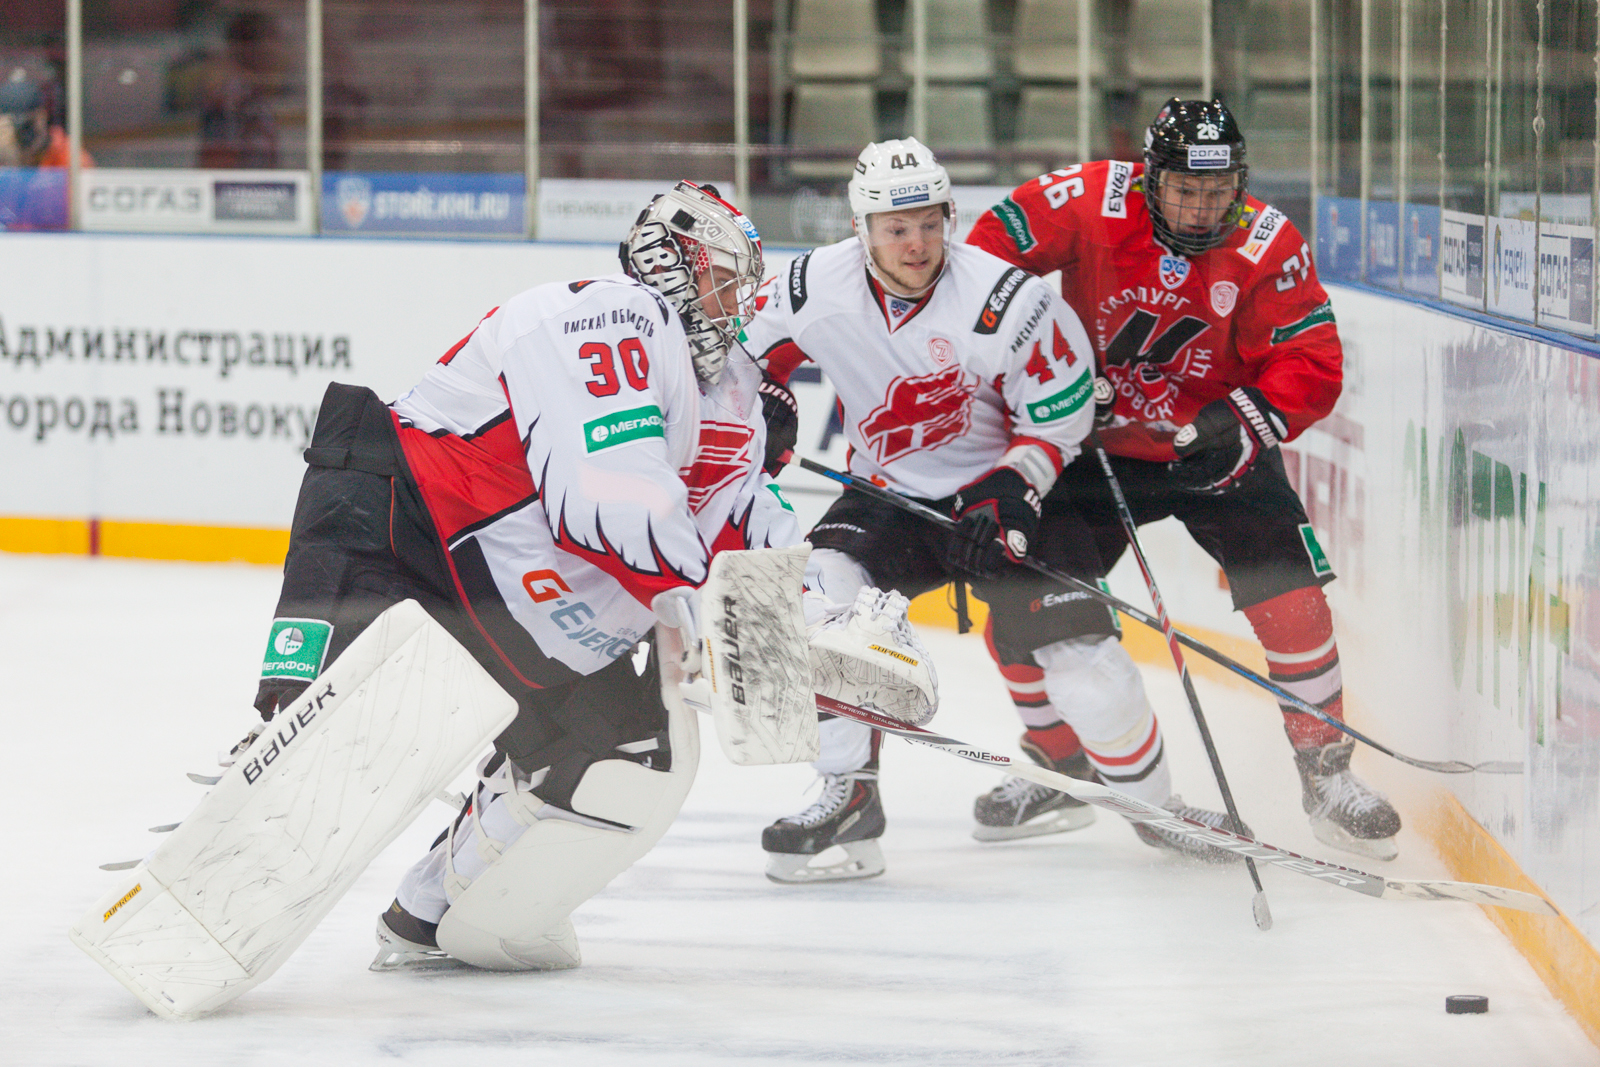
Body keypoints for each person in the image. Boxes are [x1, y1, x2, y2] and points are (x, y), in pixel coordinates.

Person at [239, 181, 925, 972]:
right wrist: (708, 620)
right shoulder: (610, 311)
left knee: (616, 743)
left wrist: (811, 623)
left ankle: (429, 913)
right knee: (307, 739)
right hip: (396, 520)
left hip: (494, 580)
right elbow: (606, 494)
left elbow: (741, 524)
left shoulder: (731, 391)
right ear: (674, 262)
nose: (739, 305)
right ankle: (240, 807)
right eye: (726, 279)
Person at [742, 138, 1240, 884]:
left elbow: (1062, 412)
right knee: (816, 598)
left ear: (949, 215)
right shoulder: (811, 283)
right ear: (862, 229)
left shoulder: (1007, 297)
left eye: (928, 223)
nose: (915, 244)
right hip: (893, 495)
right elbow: (746, 355)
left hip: (1009, 491)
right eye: (895, 228)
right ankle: (849, 794)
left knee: (1089, 670)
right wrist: (768, 398)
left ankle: (1158, 810)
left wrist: (1013, 488)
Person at [964, 98, 1402, 861]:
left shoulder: (1267, 242)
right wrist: (1052, 356)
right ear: (1149, 178)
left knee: (1293, 600)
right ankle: (1059, 760)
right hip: (1088, 446)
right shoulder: (1086, 200)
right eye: (1185, 190)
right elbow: (983, 262)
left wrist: (1248, 416)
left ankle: (1326, 774)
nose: (1202, 209)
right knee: (1018, 598)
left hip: (1213, 451)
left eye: (1219, 190)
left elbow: (1313, 355)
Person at [0, 76, 92, 230]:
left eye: (27, 125)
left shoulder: (70, 158)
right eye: (13, 128)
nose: (22, 135)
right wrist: (7, 164)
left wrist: (19, 171)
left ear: (42, 116)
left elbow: (63, 219)